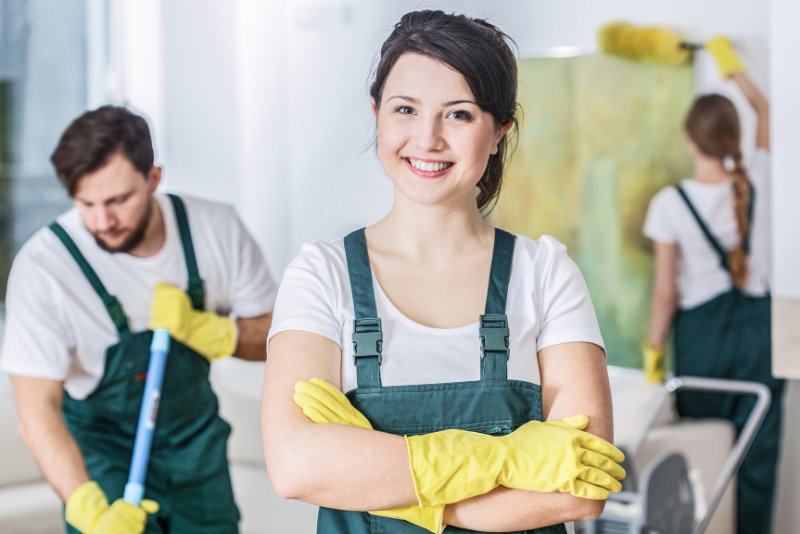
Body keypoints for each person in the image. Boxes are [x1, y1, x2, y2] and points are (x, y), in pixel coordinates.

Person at [262, 11, 625, 534]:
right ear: (377, 114)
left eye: (458, 115)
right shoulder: (322, 276)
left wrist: (377, 486)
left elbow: (582, 490)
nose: (427, 138)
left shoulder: (545, 274)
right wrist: (501, 461)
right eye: (405, 109)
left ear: (499, 130)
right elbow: (296, 466)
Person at [0, 106, 277, 534]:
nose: (102, 221)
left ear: (153, 179)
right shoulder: (45, 268)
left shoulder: (216, 229)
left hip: (196, 449)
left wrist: (212, 331)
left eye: (117, 200)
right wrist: (87, 508)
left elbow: (276, 339)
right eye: (85, 203)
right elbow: (37, 413)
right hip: (102, 458)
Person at [643, 39, 784, 534]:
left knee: (704, 453)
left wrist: (653, 353)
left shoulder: (670, 203)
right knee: (757, 458)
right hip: (762, 332)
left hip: (702, 338)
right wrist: (730, 64)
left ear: (689, 139)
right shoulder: (760, 177)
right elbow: (763, 107)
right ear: (733, 138)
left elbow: (664, 293)